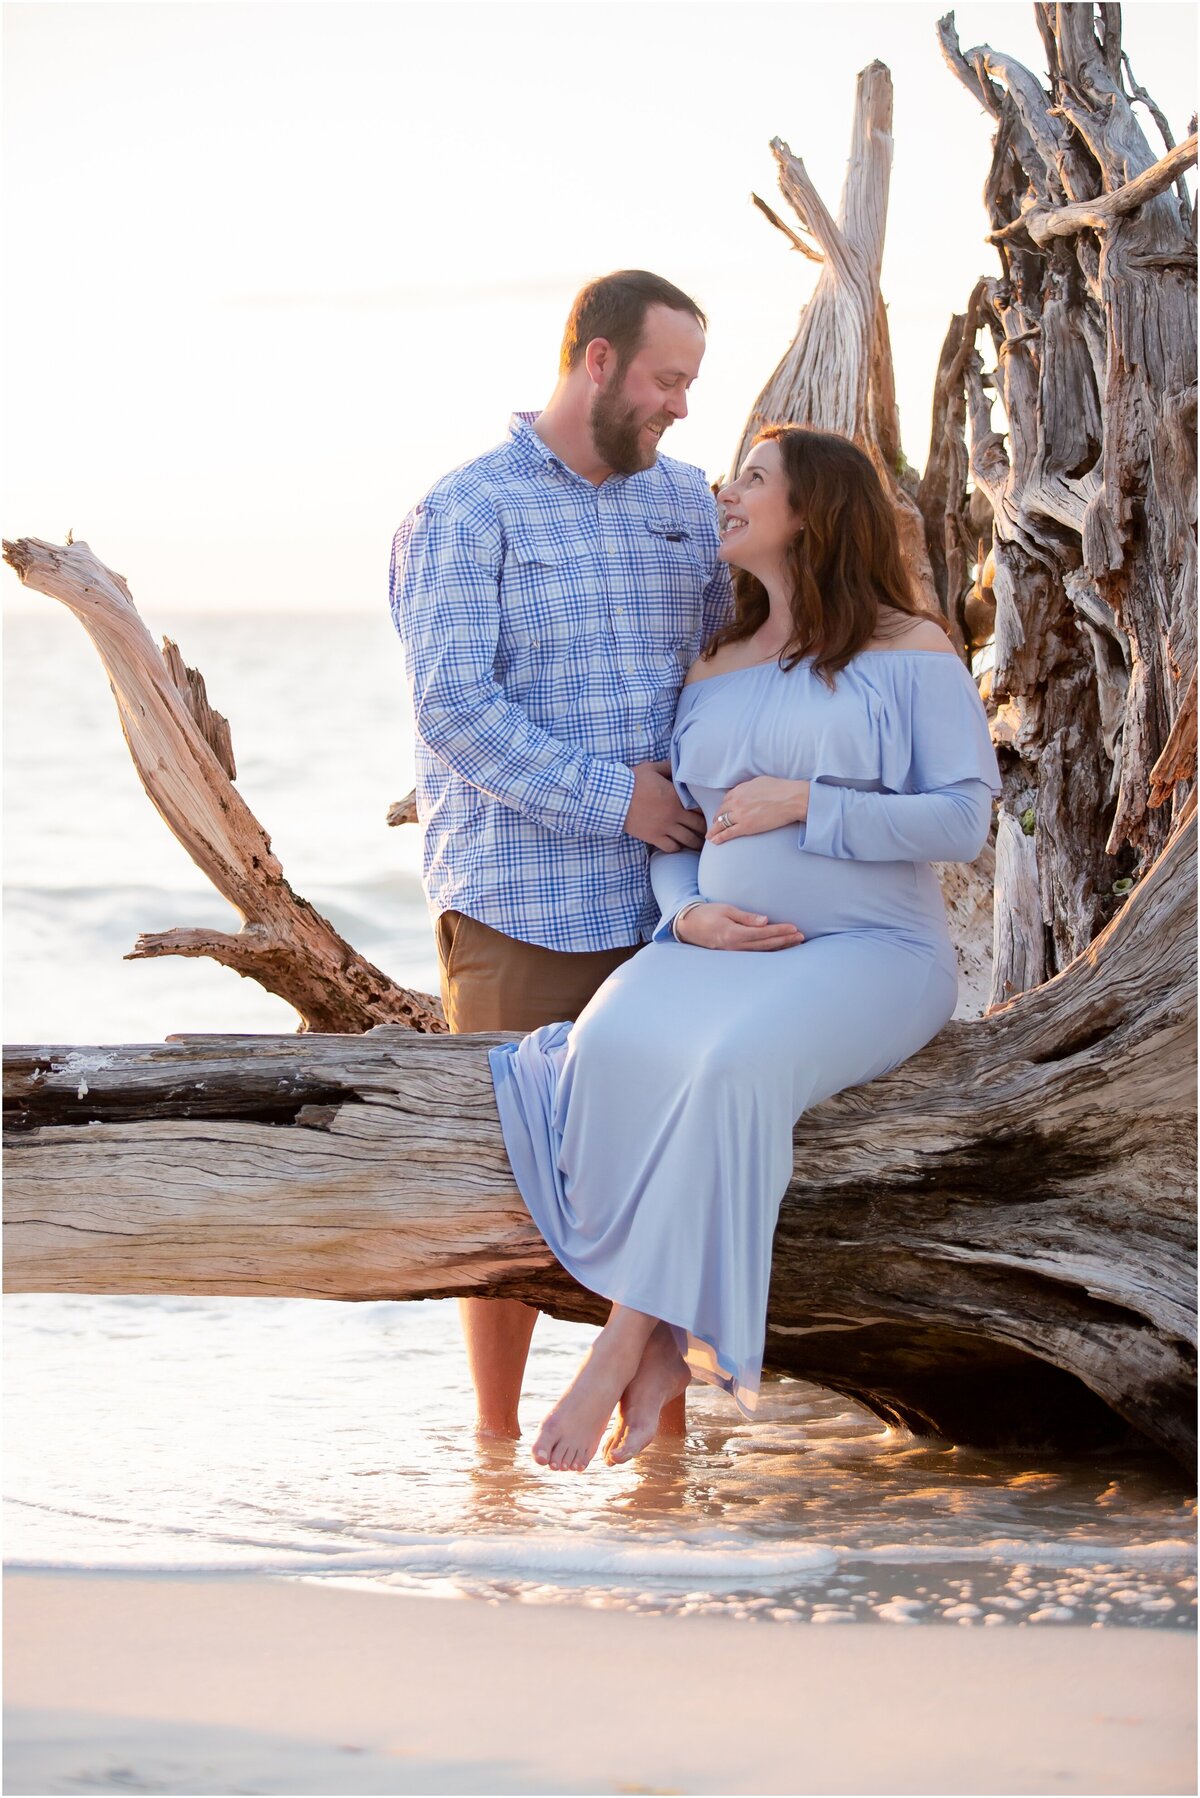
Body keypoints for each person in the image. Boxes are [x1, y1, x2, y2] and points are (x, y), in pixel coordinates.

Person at [489, 425, 1003, 1472]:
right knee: (601, 1048)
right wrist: (687, 916)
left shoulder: (910, 648)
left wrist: (810, 804)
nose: (728, 493)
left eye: (755, 481)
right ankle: (659, 1342)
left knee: (731, 1070)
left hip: (872, 948)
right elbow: (682, 832)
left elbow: (962, 820)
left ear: (812, 510)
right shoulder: (716, 660)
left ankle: (633, 1340)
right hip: (717, 949)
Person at [389, 270, 734, 1444]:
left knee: (665, 1174)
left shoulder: (687, 504)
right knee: (504, 1184)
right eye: (667, 379)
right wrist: (614, 802)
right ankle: (493, 1458)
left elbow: (754, 651)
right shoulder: (466, 512)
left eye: (691, 382)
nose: (684, 405)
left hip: (671, 912)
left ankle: (659, 1461)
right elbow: (452, 709)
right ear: (597, 361)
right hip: (515, 901)